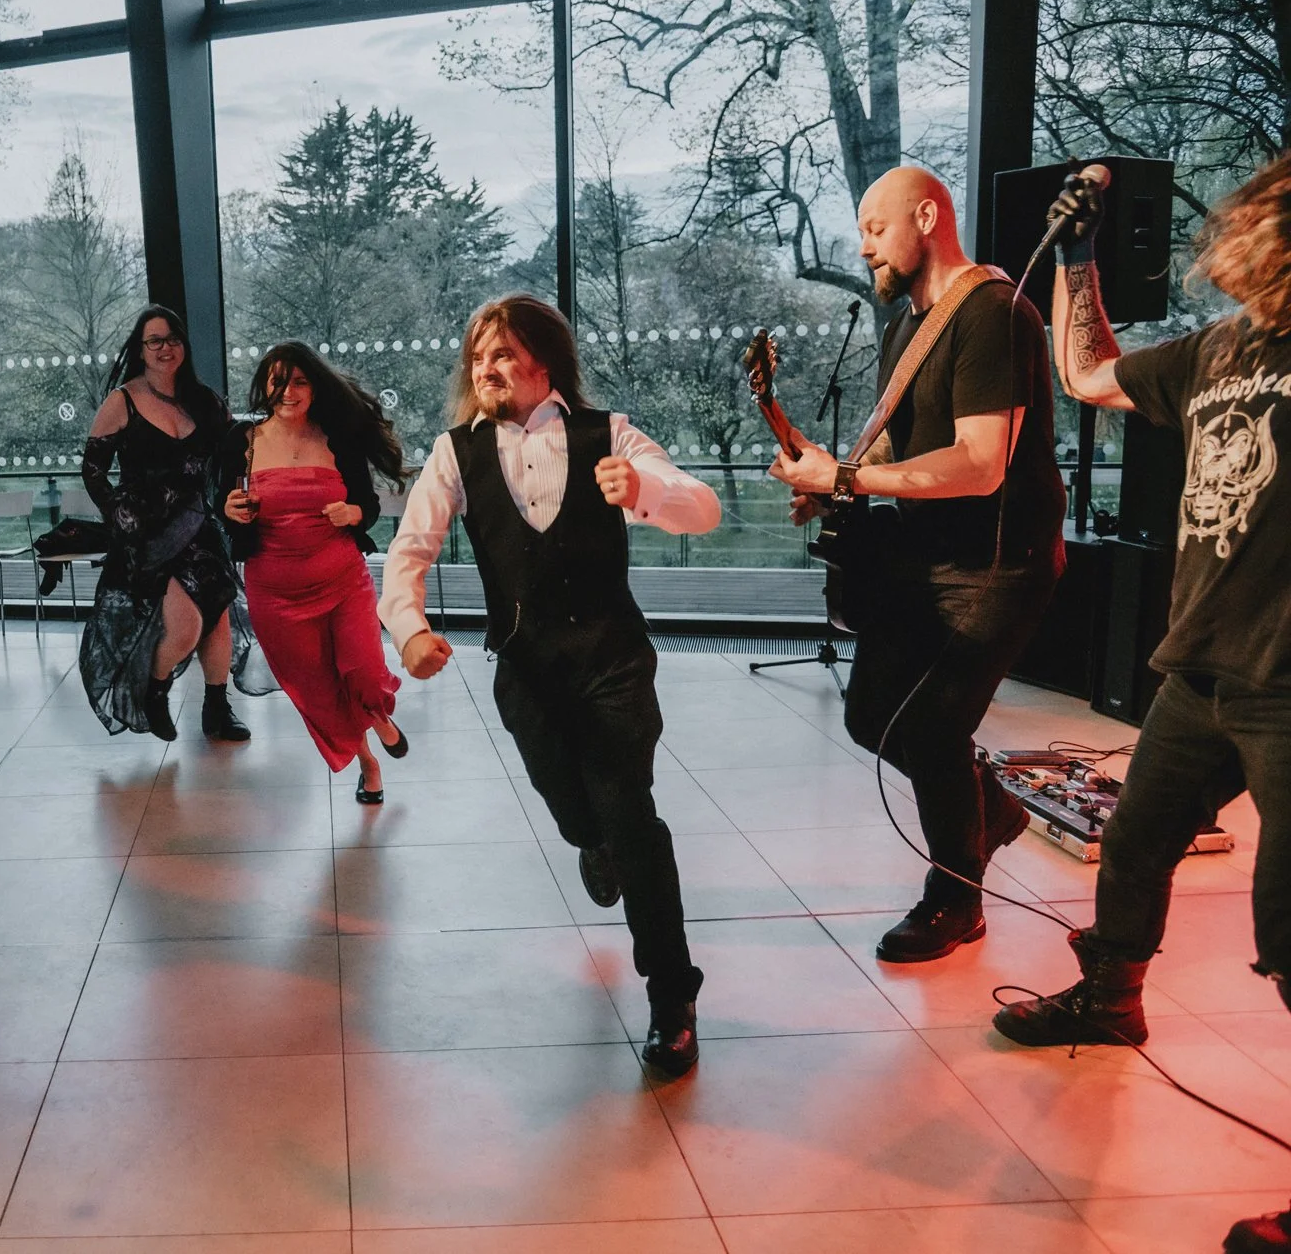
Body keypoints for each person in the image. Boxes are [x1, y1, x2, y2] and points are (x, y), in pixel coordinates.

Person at [984, 156, 1291, 1254]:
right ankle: (1109, 999)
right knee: (1131, 848)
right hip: (1202, 667)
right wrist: (1075, 257)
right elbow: (1088, 373)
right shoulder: (1217, 349)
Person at [378, 293, 721, 1078]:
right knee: (577, 813)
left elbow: (702, 508)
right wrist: (409, 628)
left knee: (631, 817)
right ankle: (592, 843)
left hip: (613, 665)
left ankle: (673, 997)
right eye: (477, 358)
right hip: (527, 670)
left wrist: (641, 488)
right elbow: (408, 551)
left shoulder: (612, 436)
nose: (487, 369)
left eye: (502, 353)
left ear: (543, 359)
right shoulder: (454, 452)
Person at [767, 166, 1065, 964]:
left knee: (934, 726)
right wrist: (835, 472)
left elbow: (979, 462)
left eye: (873, 227)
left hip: (999, 562)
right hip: (924, 553)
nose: (862, 246)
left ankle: (955, 895)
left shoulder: (996, 313)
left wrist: (847, 477)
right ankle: (989, 809)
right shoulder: (908, 326)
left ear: (926, 216)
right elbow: (904, 440)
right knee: (871, 715)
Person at [217, 343, 406, 802]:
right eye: (279, 380)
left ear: (315, 387)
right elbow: (224, 506)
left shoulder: (338, 436)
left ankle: (380, 717)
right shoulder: (242, 443)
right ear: (265, 386)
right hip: (276, 592)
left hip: (341, 578)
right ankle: (368, 764)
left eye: (300, 381)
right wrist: (230, 509)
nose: (288, 391)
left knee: (361, 668)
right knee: (320, 688)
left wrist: (354, 513)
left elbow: (370, 505)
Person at [80, 305, 250, 743]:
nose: (164, 348)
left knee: (217, 617)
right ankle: (154, 690)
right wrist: (118, 514)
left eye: (172, 338)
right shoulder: (123, 400)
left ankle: (217, 708)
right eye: (154, 341)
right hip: (150, 533)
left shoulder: (205, 399)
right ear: (141, 349)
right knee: (187, 624)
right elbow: (93, 470)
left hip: (199, 525)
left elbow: (232, 455)